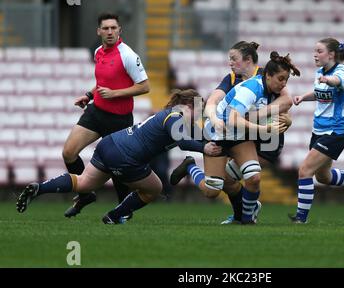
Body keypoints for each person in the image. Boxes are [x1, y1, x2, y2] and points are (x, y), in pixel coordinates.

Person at [16, 90, 223, 224]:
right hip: (127, 156)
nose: (200, 115)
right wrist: (205, 150)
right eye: (200, 110)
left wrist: (220, 142)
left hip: (110, 144)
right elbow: (184, 142)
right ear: (189, 105)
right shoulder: (175, 116)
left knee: (84, 183)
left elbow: (201, 136)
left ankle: (39, 188)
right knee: (154, 188)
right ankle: (115, 216)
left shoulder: (172, 117)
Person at [171, 51, 300, 225]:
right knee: (212, 190)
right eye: (281, 79)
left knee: (254, 177)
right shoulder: (251, 89)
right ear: (268, 76)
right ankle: (191, 167)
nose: (283, 84)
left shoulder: (271, 88)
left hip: (239, 136)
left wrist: (285, 120)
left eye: (286, 80)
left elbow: (286, 102)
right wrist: (264, 128)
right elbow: (232, 119)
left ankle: (246, 221)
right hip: (219, 134)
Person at [62, 13, 149, 219]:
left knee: (118, 168)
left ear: (119, 30)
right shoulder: (99, 52)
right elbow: (103, 82)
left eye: (113, 28)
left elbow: (145, 86)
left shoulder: (128, 55)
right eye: (106, 28)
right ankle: (85, 195)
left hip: (119, 119)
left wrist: (115, 94)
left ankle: (123, 211)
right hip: (96, 112)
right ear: (98, 31)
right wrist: (89, 95)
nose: (110, 32)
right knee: (68, 153)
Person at [289, 38, 344, 224]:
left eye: (319, 51)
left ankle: (300, 219)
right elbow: (320, 94)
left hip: (335, 132)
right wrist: (303, 97)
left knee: (304, 170)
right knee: (323, 176)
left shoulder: (341, 71)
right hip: (318, 130)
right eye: (314, 51)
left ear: (332, 54)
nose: (315, 54)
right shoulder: (319, 72)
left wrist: (329, 80)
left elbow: (337, 82)